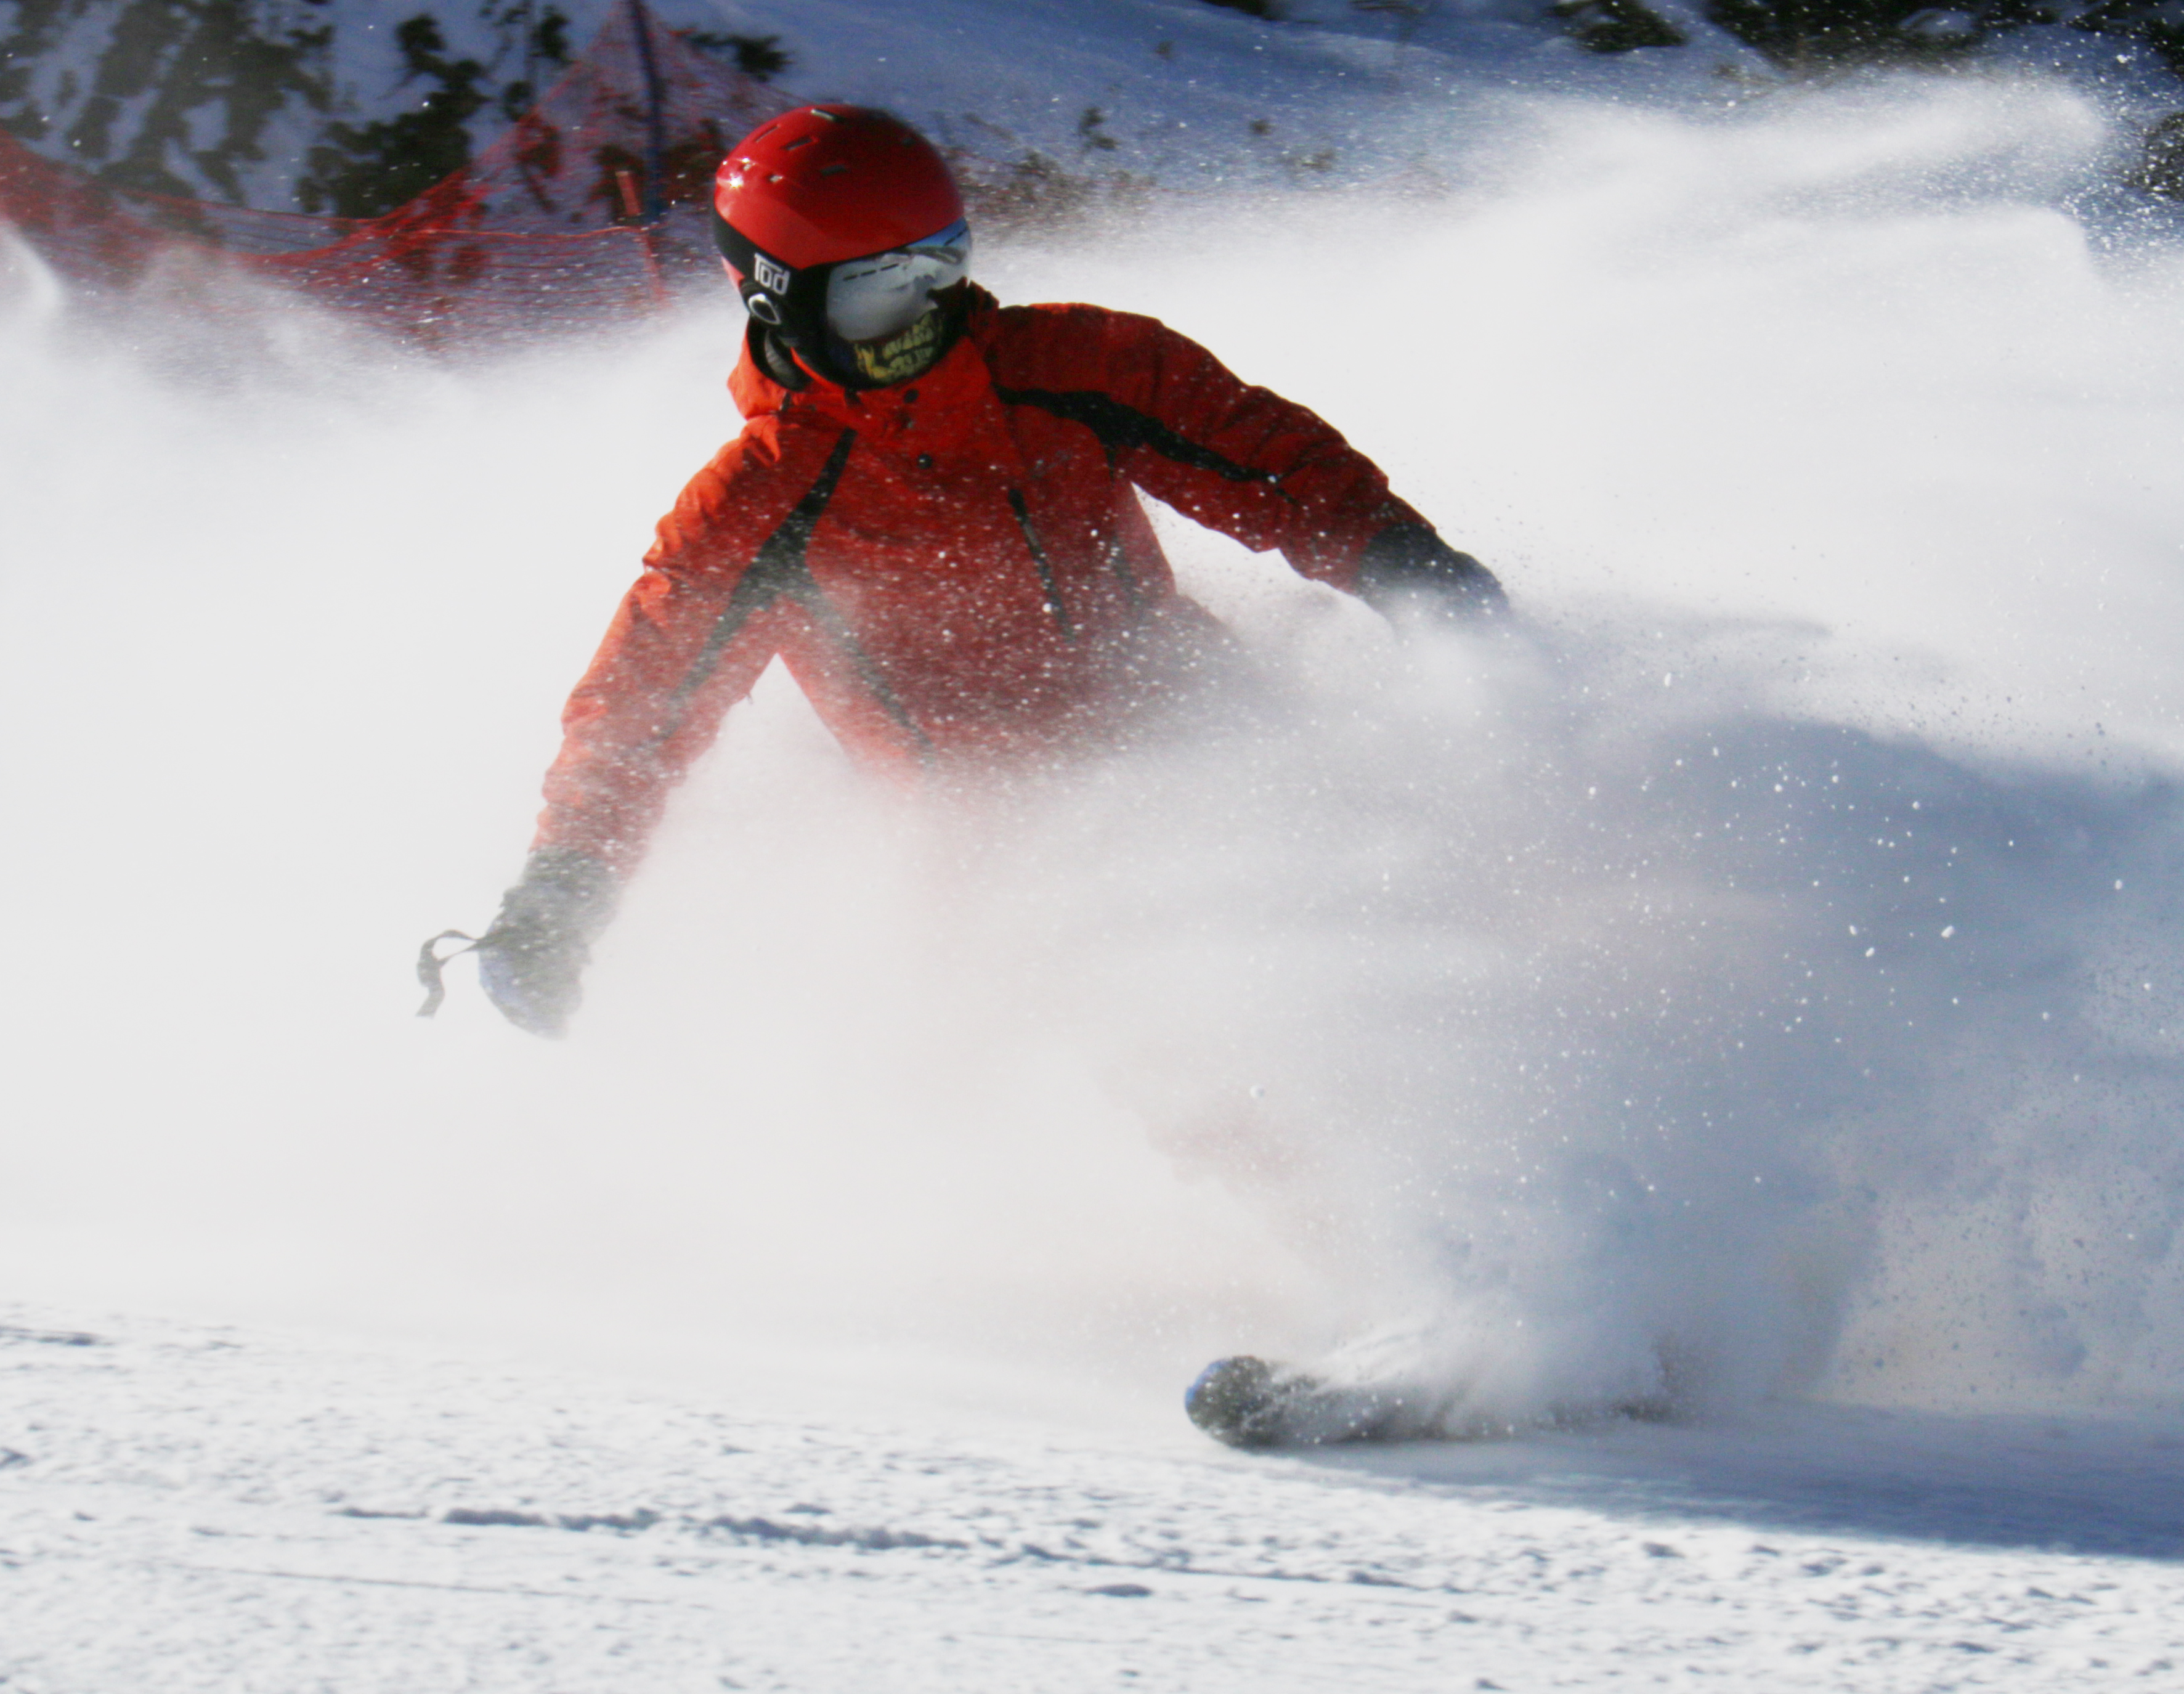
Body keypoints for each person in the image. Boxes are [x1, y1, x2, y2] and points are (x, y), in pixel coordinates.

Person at [441, 102, 1506, 1036]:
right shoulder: (761, 505)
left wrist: (1417, 575)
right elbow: (643, 706)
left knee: (1421, 907)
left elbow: (1267, 464)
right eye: (873, 297)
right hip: (1009, 848)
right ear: (777, 299)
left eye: (937, 272)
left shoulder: (1074, 369)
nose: (920, 321)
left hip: (1202, 726)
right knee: (1188, 1030)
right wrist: (560, 898)